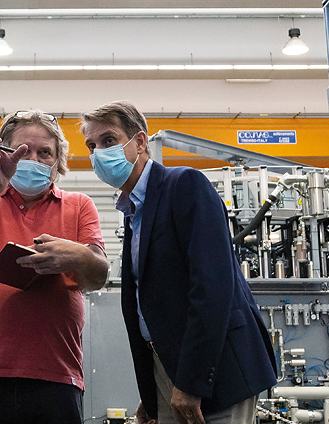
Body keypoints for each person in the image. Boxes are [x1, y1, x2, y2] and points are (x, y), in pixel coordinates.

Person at [79, 101, 276, 424]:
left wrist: (191, 381)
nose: (99, 153)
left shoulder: (184, 185)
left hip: (216, 372)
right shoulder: (133, 211)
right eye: (92, 146)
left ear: (140, 142)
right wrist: (152, 389)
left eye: (109, 140)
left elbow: (212, 288)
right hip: (169, 372)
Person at [0, 110, 109, 423]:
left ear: (58, 161)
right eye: (22, 152)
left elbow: (98, 276)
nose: (33, 160)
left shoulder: (79, 206)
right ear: (4, 154)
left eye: (44, 153)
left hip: (56, 375)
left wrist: (75, 256)